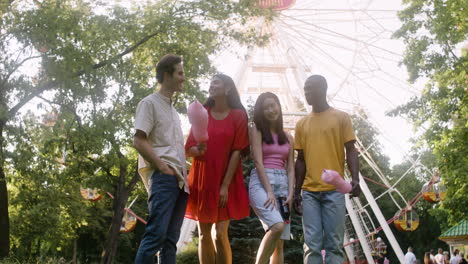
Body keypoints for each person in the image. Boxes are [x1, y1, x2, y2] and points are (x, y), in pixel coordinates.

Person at [293, 75, 361, 264]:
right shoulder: (301, 124)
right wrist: (296, 191)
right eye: (305, 89)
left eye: (310, 89)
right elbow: (301, 161)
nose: (306, 93)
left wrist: (355, 178)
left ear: (323, 89)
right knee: (311, 244)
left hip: (334, 191)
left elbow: (351, 150)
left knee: (334, 244)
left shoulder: (341, 118)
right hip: (309, 193)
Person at [185, 73, 250, 264]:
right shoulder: (202, 112)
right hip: (203, 178)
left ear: (227, 88)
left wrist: (224, 186)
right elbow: (188, 149)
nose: (211, 86)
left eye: (216, 82)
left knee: (220, 234)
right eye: (210, 83)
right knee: (205, 235)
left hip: (226, 178)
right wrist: (198, 149)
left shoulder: (239, 115)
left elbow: (237, 151)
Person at [133, 54, 189, 264]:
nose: (183, 78)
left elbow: (171, 147)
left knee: (170, 242)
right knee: (155, 236)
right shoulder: (149, 104)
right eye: (180, 73)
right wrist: (162, 167)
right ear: (167, 75)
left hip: (181, 182)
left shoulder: (174, 111)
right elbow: (139, 141)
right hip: (164, 178)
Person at [249, 92, 295, 264]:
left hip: (283, 184)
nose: (270, 110)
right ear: (261, 112)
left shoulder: (289, 137)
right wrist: (268, 190)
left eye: (273, 105)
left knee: (279, 244)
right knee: (277, 226)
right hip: (262, 183)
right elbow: (258, 162)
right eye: (266, 107)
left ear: (279, 106)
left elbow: (290, 168)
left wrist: (291, 193)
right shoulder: (258, 130)